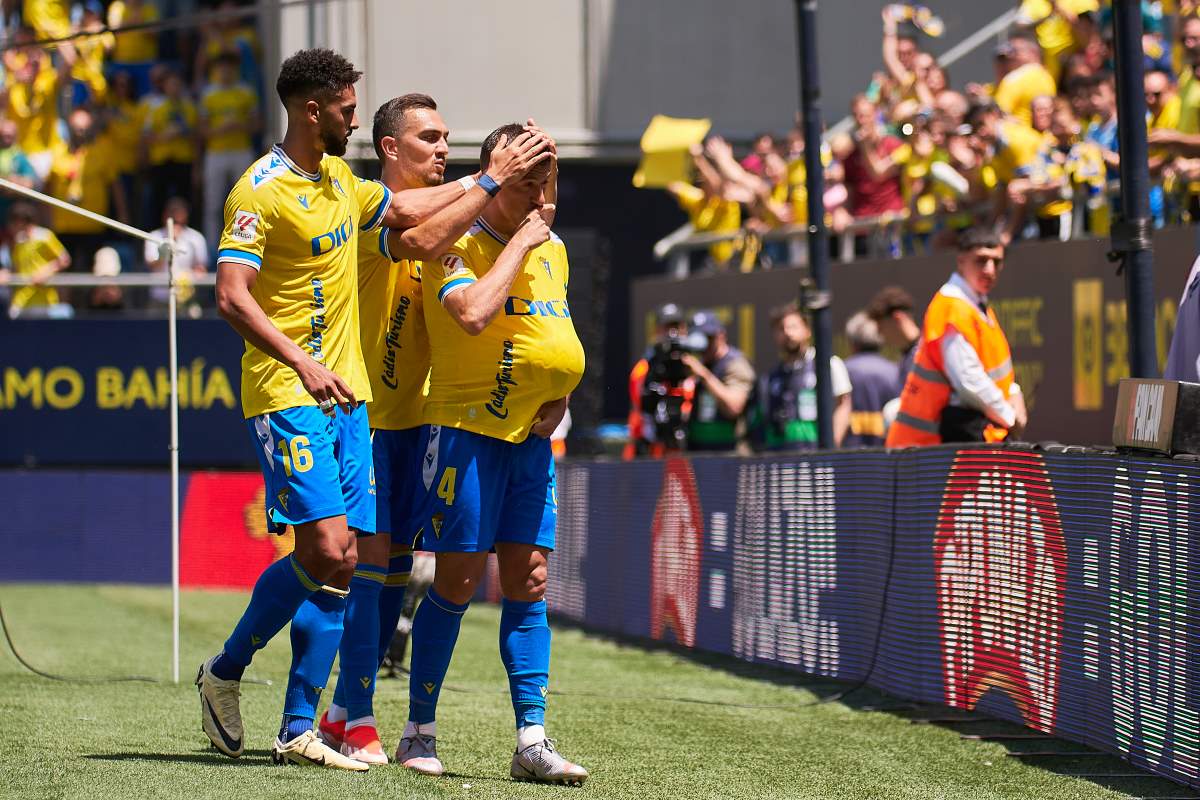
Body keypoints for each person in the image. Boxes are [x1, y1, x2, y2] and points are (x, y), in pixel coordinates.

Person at [196, 47, 487, 770]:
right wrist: (301, 359)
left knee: (341, 562)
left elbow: (412, 210)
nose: (355, 121)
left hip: (349, 398)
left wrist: (490, 179)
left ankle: (300, 726)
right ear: (310, 109)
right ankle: (225, 672)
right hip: (286, 392)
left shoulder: (340, 182)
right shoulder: (256, 192)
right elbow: (231, 295)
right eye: (348, 110)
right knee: (326, 550)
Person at [317, 95, 552, 766]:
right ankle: (350, 711)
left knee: (396, 573)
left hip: (427, 423)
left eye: (449, 137)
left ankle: (346, 709)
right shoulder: (366, 208)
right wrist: (491, 178)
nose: (443, 147)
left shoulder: (460, 216)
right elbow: (418, 238)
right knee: (366, 566)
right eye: (429, 137)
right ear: (390, 148)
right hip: (365, 416)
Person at [406, 121, 588, 785]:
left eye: (546, 184)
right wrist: (520, 241)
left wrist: (561, 389)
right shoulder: (455, 246)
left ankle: (531, 740)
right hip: (465, 431)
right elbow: (476, 314)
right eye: (526, 184)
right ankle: (418, 729)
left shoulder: (552, 245)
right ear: (494, 180)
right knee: (454, 581)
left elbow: (552, 330)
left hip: (531, 441)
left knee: (531, 578)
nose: (539, 198)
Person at [886, 227, 1027, 447]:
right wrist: (1009, 416)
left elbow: (994, 372)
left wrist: (1014, 394)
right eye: (981, 260)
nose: (990, 269)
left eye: (996, 262)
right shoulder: (952, 307)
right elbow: (968, 379)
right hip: (941, 442)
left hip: (968, 431)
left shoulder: (974, 305)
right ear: (961, 261)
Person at [750, 302, 851, 451]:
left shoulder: (827, 365)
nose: (787, 333)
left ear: (807, 330)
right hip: (780, 462)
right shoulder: (770, 378)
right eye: (781, 329)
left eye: (793, 327)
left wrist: (832, 446)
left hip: (817, 460)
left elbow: (843, 405)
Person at [47, 107, 127, 276]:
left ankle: (89, 303)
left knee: (94, 269)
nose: (80, 133)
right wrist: (46, 218)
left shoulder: (102, 150)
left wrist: (122, 214)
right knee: (64, 272)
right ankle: (66, 303)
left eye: (83, 128)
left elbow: (115, 186)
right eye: (76, 128)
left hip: (93, 222)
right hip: (63, 224)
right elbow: (49, 187)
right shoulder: (58, 151)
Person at [200, 51, 261, 255]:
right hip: (216, 153)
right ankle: (210, 249)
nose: (225, 70)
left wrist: (239, 125)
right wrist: (221, 130)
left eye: (229, 66)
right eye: (221, 66)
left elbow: (256, 124)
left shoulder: (246, 92)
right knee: (213, 204)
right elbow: (202, 130)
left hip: (240, 151)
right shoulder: (208, 94)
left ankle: (243, 244)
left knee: (245, 200)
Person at [624, 302, 695, 458]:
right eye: (667, 327)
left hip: (683, 449)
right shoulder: (644, 369)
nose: (673, 333)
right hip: (648, 448)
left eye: (677, 326)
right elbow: (641, 407)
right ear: (657, 330)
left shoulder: (693, 367)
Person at [683, 310, 756, 453]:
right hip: (699, 456)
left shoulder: (735, 364)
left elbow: (734, 407)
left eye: (708, 338)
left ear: (721, 335)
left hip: (730, 456)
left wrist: (704, 376)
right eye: (698, 339)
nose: (704, 345)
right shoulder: (696, 365)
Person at [1, 201, 70, 319]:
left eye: (14, 223)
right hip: (20, 303)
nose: (11, 227)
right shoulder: (16, 242)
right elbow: (15, 267)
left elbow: (64, 259)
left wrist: (47, 271)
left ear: (22, 222)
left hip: (44, 302)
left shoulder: (44, 236)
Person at [842, 311, 901, 447]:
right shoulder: (895, 372)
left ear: (852, 341)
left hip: (848, 457)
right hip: (885, 455)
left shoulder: (842, 370)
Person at [144, 197, 208, 308]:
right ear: (165, 216)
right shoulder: (154, 236)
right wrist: (165, 251)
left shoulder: (196, 238)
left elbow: (201, 268)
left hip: (187, 298)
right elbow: (151, 264)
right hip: (160, 298)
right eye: (172, 214)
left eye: (179, 213)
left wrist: (189, 278)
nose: (176, 219)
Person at [867, 285, 921, 386]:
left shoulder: (925, 353)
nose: (880, 334)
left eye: (881, 327)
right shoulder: (907, 357)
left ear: (897, 319)